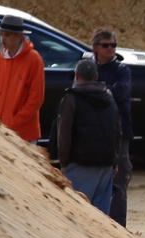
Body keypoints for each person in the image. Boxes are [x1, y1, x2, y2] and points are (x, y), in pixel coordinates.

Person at [50, 55, 125, 214]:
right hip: (105, 165)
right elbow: (117, 130)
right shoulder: (109, 96)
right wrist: (114, 161)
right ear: (96, 77)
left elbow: (64, 134)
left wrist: (63, 162)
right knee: (100, 215)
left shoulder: (71, 98)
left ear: (77, 76)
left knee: (76, 212)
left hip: (80, 164)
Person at [90, 26, 135, 226]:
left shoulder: (122, 69)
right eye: (106, 45)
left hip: (119, 131)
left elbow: (121, 93)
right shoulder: (88, 68)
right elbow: (80, 91)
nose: (111, 49)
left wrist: (98, 90)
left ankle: (119, 227)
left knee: (120, 179)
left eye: (113, 45)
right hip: (93, 130)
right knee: (94, 177)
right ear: (95, 48)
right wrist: (105, 90)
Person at [0, 16, 46, 143]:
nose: (3, 39)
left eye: (7, 35)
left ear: (19, 36)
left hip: (23, 135)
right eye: (1, 34)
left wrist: (14, 123)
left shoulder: (34, 60)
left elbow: (36, 99)